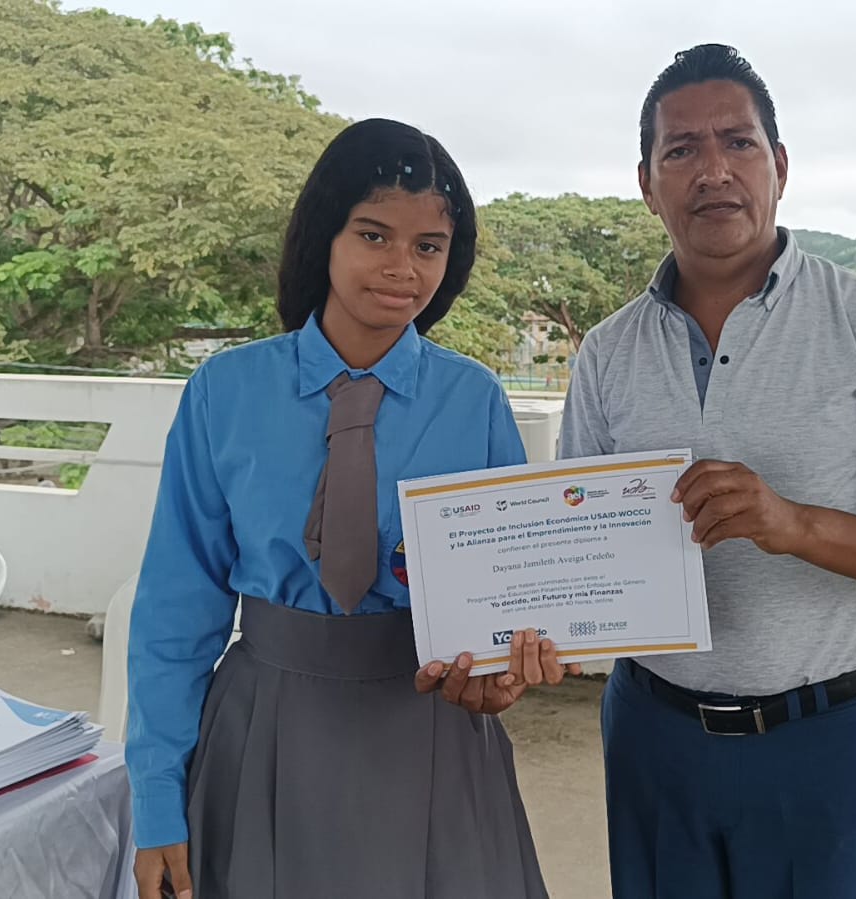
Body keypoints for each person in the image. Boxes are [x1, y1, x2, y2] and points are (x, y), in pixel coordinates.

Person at [559, 44, 856, 898]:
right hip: (652, 734)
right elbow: (575, 550)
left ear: (779, 166)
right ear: (646, 183)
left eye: (738, 142)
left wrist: (792, 524)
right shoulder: (607, 351)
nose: (712, 170)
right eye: (681, 149)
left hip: (824, 739)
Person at [125, 118, 575, 899]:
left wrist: (506, 670)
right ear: (323, 235)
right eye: (374, 235)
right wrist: (157, 799)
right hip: (263, 731)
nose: (403, 267)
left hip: (432, 735)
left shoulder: (472, 400)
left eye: (428, 245)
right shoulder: (225, 393)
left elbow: (506, 595)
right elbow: (175, 610)